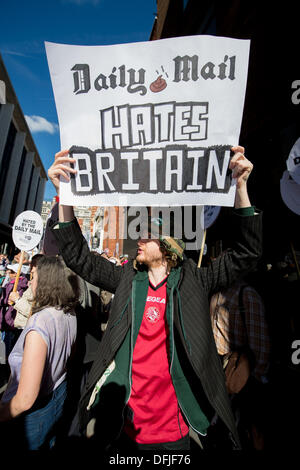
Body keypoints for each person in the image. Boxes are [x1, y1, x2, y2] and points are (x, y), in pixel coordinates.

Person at [48, 145, 262, 451]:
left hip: (175, 432)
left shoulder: (195, 282)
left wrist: (240, 186)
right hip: (124, 426)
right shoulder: (126, 280)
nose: (138, 239)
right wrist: (64, 195)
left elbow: (247, 254)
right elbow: (78, 256)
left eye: (146, 235)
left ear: (167, 244)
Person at [0, 256, 78, 450]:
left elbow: (25, 399)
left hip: (31, 417)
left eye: (34, 277)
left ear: (46, 282)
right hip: (55, 401)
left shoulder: (40, 323)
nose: (31, 281)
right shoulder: (68, 312)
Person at [209, 278, 271, 449]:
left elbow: (260, 351)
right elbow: (261, 352)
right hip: (230, 381)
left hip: (235, 382)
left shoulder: (239, 295)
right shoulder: (225, 294)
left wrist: (237, 379)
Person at [8, 254, 44, 330]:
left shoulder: (41, 285)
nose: (31, 268)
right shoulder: (33, 282)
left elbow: (34, 311)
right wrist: (15, 301)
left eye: (33, 264)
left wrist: (17, 300)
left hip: (27, 327)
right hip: (20, 325)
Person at [0, 263, 28, 357]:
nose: (9, 273)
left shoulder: (18, 286)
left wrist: (4, 300)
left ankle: (4, 360)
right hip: (6, 317)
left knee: (6, 343)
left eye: (11, 272)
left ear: (17, 274)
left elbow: (7, 300)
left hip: (10, 318)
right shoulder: (9, 283)